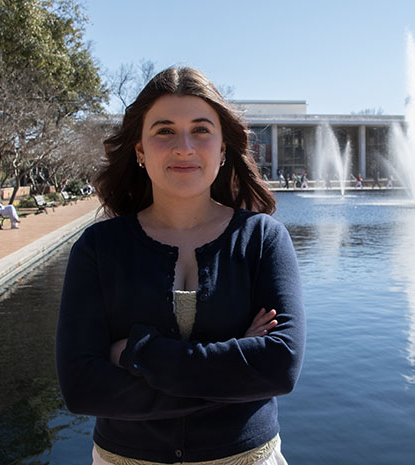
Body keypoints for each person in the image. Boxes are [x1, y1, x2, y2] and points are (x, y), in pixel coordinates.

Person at [56, 67, 306, 465]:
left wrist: (139, 354)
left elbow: (279, 368)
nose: (185, 147)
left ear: (223, 149)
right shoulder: (98, 248)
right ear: (140, 150)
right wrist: (235, 367)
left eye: (202, 130)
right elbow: (81, 387)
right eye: (164, 130)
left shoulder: (263, 239)